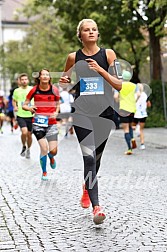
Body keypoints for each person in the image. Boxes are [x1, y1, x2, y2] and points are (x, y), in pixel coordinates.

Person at [59, 19, 122, 225]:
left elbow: (119, 85)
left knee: (96, 158)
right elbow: (64, 78)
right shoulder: (73, 57)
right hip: (82, 113)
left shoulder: (108, 54)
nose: (91, 32)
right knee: (88, 158)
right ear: (81, 35)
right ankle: (97, 207)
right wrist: (65, 80)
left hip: (104, 113)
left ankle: (86, 187)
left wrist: (101, 71)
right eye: (87, 30)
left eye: (94, 29)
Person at [22, 69, 60, 181]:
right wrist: (29, 108)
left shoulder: (54, 90)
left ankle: (51, 157)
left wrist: (56, 112)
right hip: (38, 123)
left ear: (49, 77)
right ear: (39, 77)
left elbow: (58, 104)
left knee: (53, 151)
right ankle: (44, 172)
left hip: (51, 123)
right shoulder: (34, 90)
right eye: (42, 75)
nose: (45, 76)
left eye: (47, 75)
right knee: (44, 148)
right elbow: (25, 105)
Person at [114, 70, 138, 155]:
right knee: (131, 126)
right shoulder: (134, 86)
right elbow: (137, 95)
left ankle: (129, 149)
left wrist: (119, 101)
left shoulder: (119, 86)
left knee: (126, 129)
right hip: (132, 109)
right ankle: (132, 139)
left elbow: (116, 97)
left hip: (123, 109)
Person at [13, 73, 33, 158]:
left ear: (28, 80)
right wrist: (15, 107)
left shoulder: (32, 89)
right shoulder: (17, 91)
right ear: (20, 81)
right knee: (24, 132)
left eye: (25, 79)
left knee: (29, 135)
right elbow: (14, 100)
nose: (24, 81)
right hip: (21, 115)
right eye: (22, 80)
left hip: (31, 115)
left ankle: (28, 149)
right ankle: (23, 146)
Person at [133, 83, 151, 150]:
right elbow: (149, 105)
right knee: (141, 130)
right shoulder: (145, 95)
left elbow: (132, 103)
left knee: (132, 127)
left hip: (135, 114)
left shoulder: (134, 95)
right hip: (143, 114)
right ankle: (142, 144)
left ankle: (136, 131)